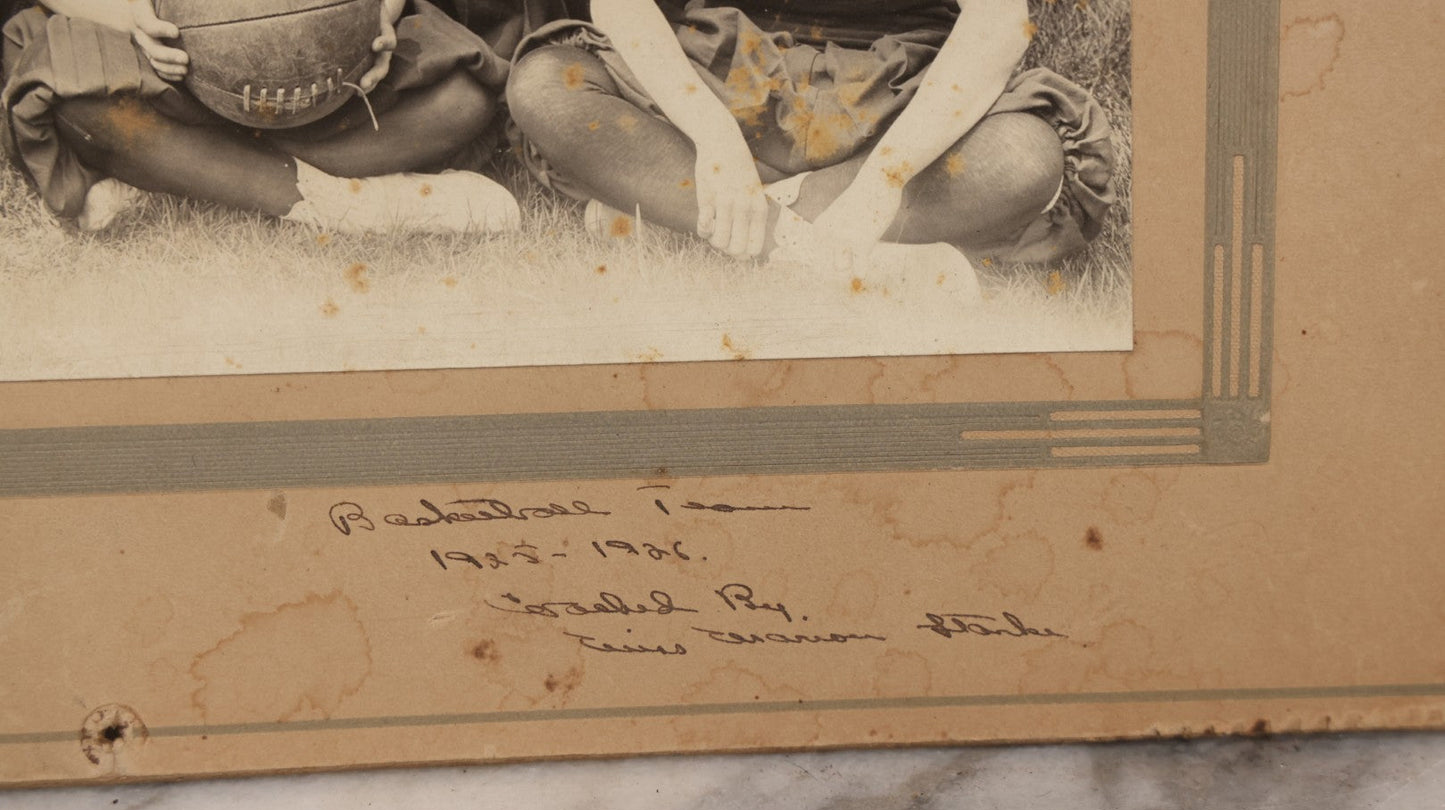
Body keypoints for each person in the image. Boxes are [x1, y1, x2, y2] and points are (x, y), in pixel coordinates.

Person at [506, 0, 1116, 293]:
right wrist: (711, 136)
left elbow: (997, 22)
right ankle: (832, 248)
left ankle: (688, 214)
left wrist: (888, 177)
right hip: (723, 76)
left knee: (1024, 157)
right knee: (547, 86)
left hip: (894, 97)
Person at [1, 0, 550, 233]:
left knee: (461, 100)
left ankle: (188, 168)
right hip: (165, 63)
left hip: (327, 74)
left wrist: (377, 19)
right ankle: (328, 202)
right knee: (75, 97)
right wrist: (129, 16)